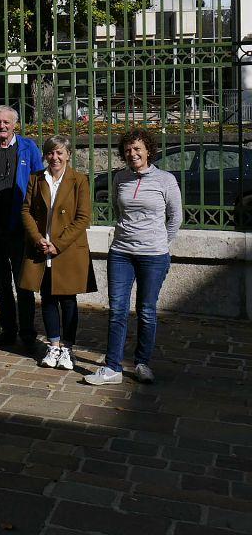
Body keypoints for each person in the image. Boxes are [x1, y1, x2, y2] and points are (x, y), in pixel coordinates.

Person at [85, 128, 181, 386]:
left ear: (149, 150)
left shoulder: (166, 180)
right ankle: (112, 367)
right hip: (121, 253)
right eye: (128, 149)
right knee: (117, 310)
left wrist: (159, 241)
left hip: (153, 256)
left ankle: (142, 363)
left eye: (137, 148)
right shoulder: (120, 178)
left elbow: (175, 218)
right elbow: (119, 210)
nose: (132, 153)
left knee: (146, 311)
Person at [20, 135, 95, 371]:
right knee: (48, 298)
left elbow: (83, 218)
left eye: (60, 152)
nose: (55, 157)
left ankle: (68, 347)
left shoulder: (79, 180)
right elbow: (26, 211)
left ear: (68, 155)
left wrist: (58, 244)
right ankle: (53, 345)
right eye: (51, 153)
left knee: (68, 300)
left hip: (67, 249)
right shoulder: (36, 178)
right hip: (41, 247)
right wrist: (38, 238)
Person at [0, 105, 45, 351]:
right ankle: (7, 330)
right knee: (1, 284)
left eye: (6, 122)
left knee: (23, 283)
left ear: (15, 124)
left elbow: (39, 184)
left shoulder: (28, 147)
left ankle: (27, 334)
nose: (1, 126)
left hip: (19, 229)